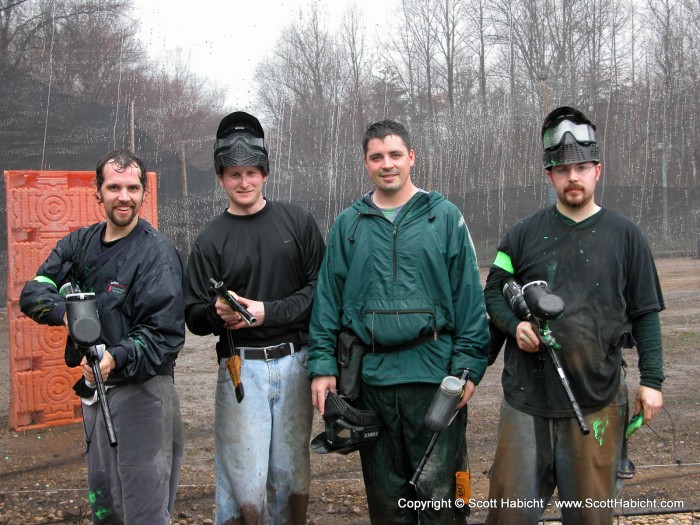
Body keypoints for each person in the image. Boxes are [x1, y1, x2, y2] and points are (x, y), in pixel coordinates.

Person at [483, 106, 665, 525]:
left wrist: (652, 382)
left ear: (598, 170)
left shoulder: (627, 236)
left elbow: (646, 313)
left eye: (582, 167)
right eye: (563, 170)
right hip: (526, 401)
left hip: (598, 400)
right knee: (510, 514)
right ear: (549, 176)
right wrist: (515, 325)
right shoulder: (523, 233)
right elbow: (493, 292)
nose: (573, 178)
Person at [308, 119, 490, 524]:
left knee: (444, 499)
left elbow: (470, 301)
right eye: (377, 157)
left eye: (394, 155)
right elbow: (327, 303)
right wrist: (321, 366)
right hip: (372, 382)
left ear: (411, 157)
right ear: (366, 163)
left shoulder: (444, 218)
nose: (386, 164)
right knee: (388, 503)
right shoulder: (348, 225)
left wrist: (469, 368)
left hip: (436, 382)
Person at [19, 149, 186, 525]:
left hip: (143, 393)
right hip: (95, 394)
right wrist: (70, 316)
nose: (123, 196)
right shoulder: (79, 244)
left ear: (144, 193)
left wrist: (116, 356)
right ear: (99, 192)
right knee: (105, 504)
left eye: (131, 187)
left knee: (142, 509)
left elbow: (165, 336)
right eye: (113, 187)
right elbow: (34, 292)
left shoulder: (156, 254)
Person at [184, 111, 325, 525]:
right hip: (240, 369)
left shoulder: (297, 222)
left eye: (251, 172)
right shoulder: (210, 239)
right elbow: (192, 314)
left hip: (296, 362)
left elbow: (321, 291)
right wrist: (217, 311)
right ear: (221, 178)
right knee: (243, 481)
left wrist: (266, 312)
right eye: (233, 174)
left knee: (292, 475)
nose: (243, 182)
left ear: (265, 173)